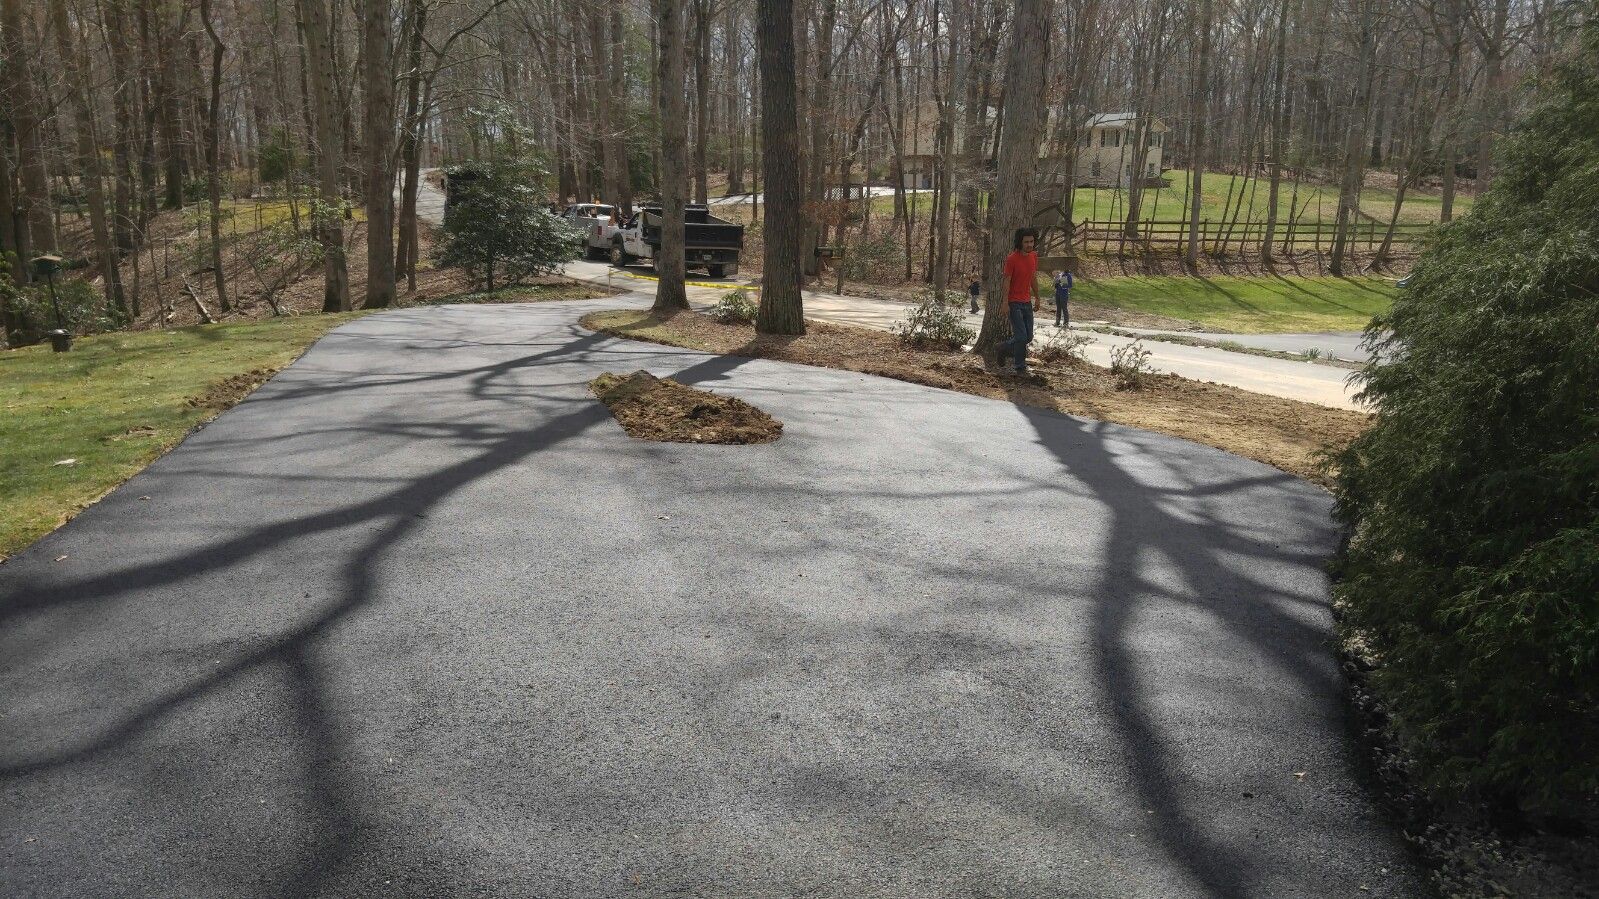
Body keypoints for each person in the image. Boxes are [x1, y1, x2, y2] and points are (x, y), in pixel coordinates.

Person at [993, 229, 1041, 374]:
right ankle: (1020, 366)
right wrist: (1004, 302)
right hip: (1014, 302)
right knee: (1020, 337)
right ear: (1020, 242)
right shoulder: (1012, 259)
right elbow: (1006, 281)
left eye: (1031, 241)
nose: (1029, 244)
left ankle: (1003, 347)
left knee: (1028, 337)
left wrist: (1037, 297)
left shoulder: (1033, 256)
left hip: (1027, 302)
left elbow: (1033, 278)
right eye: (1026, 242)